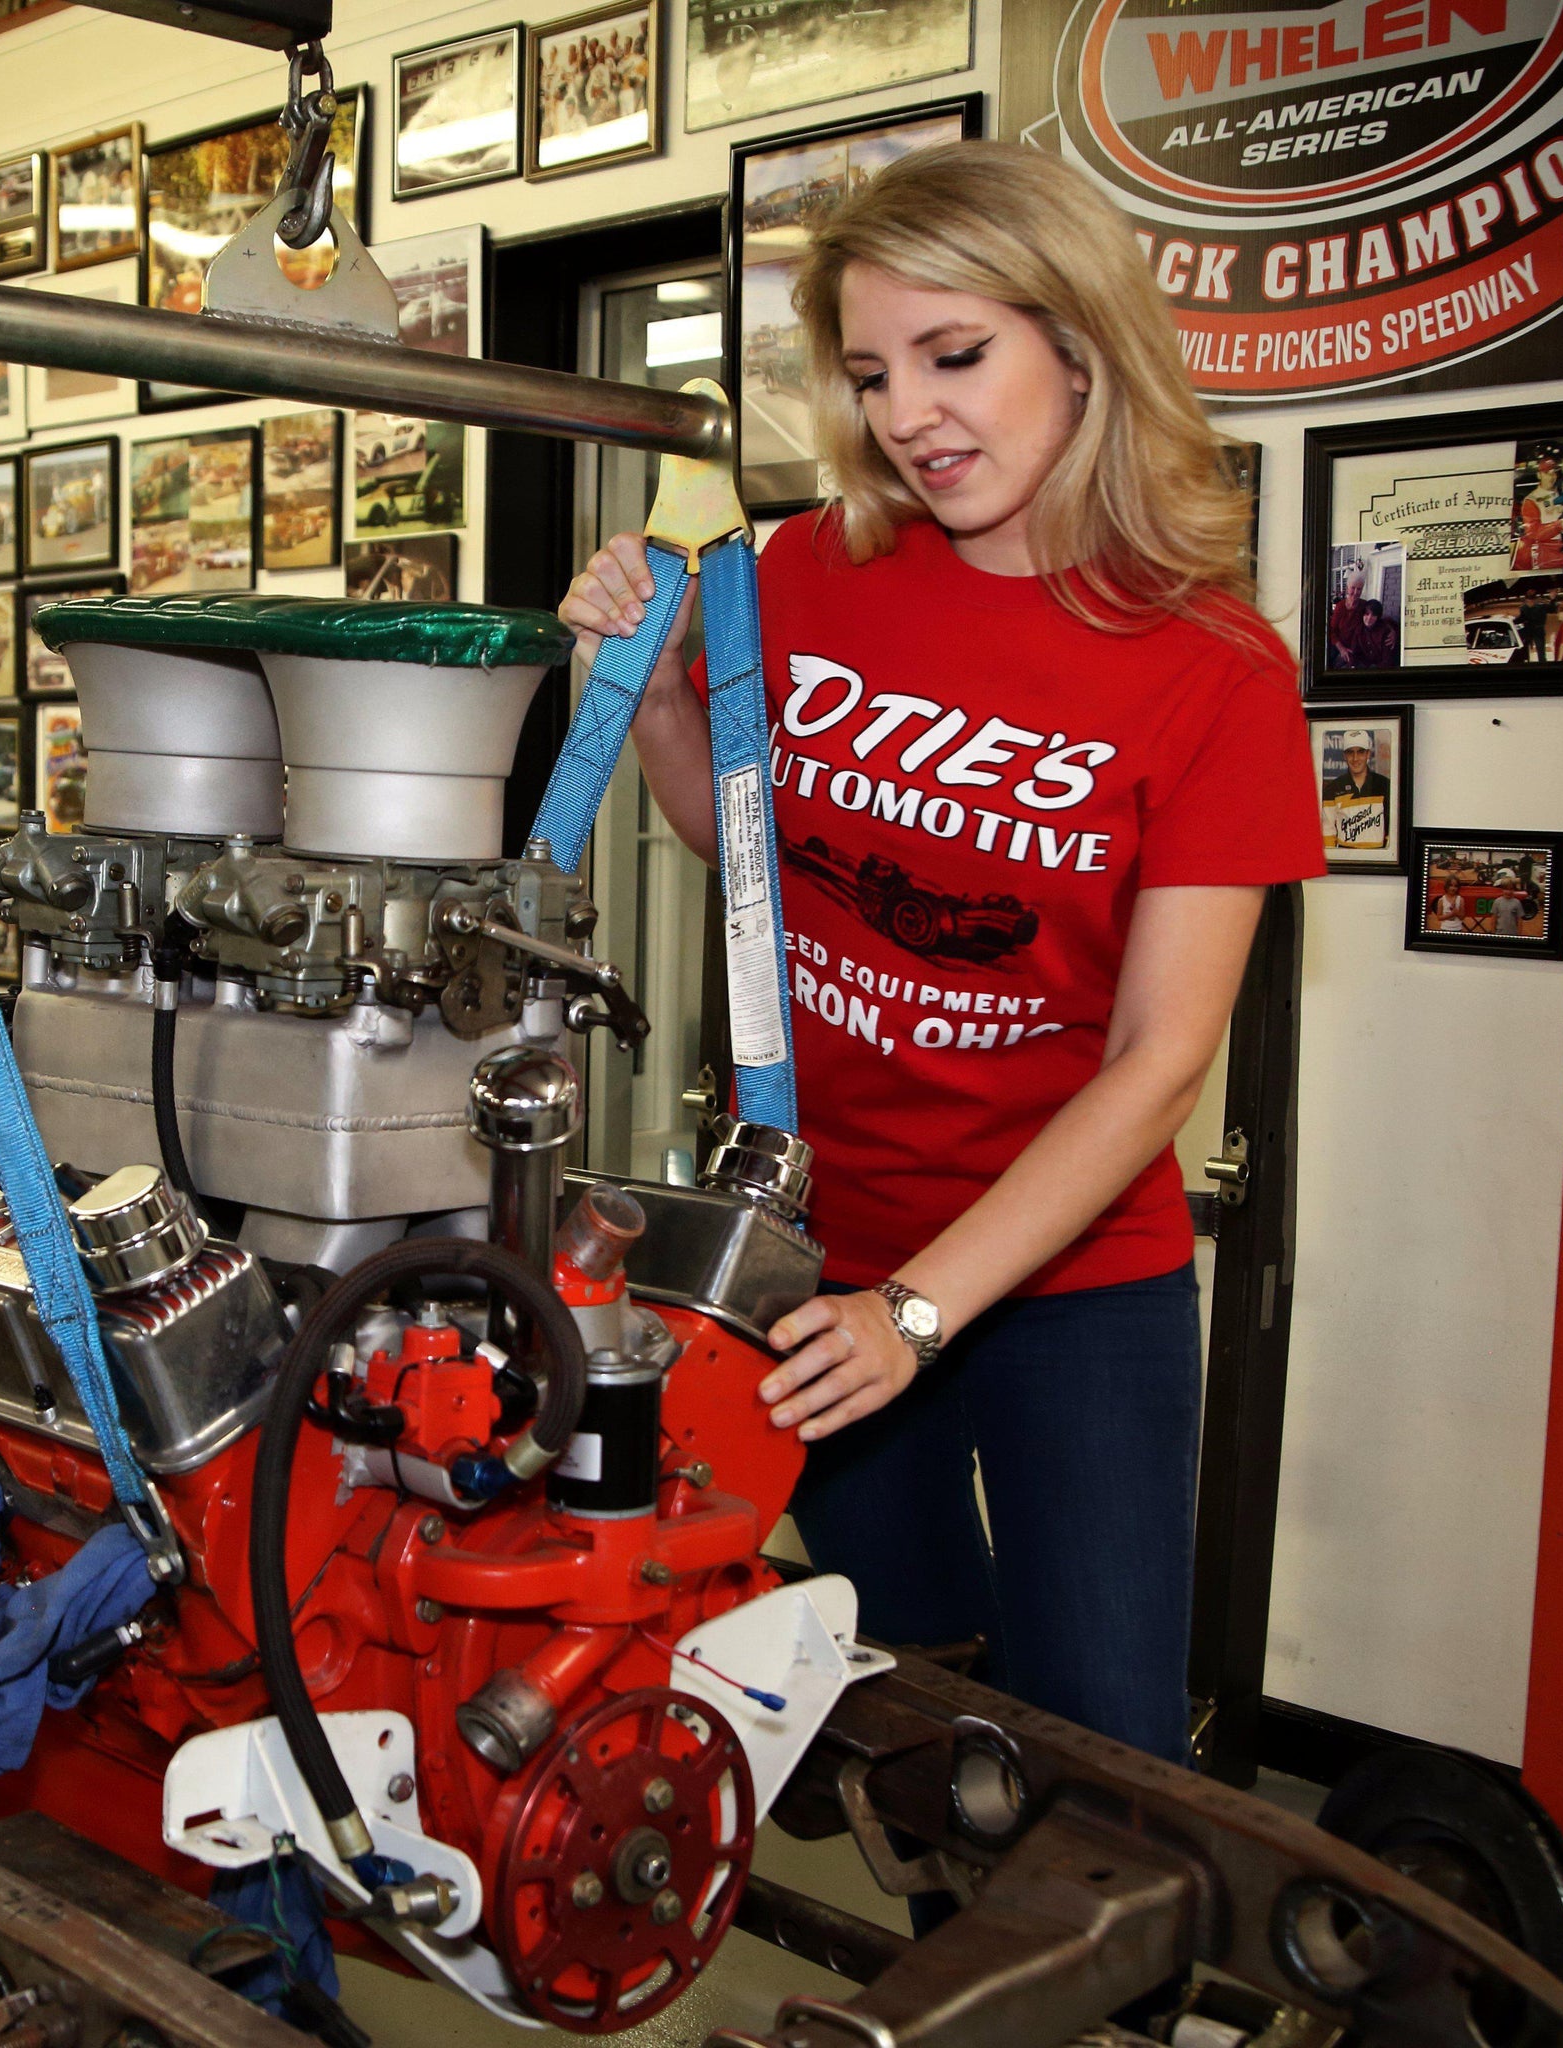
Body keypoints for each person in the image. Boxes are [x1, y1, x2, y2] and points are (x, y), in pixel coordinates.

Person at [559, 141, 1324, 1770]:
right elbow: (736, 847)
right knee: (902, 1706)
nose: (907, 411)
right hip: (823, 1251)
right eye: (868, 370)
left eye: (953, 354)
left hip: (1060, 1284)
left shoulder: (1214, 670)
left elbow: (1158, 1059)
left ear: (1080, 341)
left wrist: (917, 1313)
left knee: (1103, 1743)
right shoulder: (812, 574)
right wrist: (652, 681)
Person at [1321, 728, 1390, 839]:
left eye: (1360, 752)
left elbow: (1393, 830)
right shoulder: (1332, 789)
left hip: (1378, 855)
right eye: (1350, 752)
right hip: (1344, 855)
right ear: (1344, 756)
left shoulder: (1384, 785)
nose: (1355, 758)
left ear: (1368, 754)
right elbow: (1327, 831)